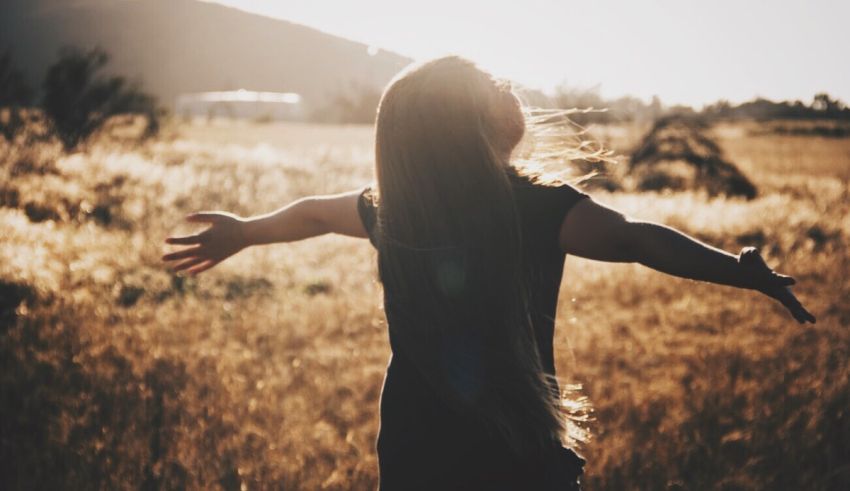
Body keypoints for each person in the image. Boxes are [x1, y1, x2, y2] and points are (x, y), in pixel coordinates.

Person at [162, 56, 815, 490]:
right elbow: (638, 241)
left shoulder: (396, 205)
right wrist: (741, 272)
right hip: (509, 437)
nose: (508, 89)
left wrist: (245, 232)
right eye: (493, 87)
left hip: (417, 432)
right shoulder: (535, 208)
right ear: (470, 125)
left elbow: (311, 215)